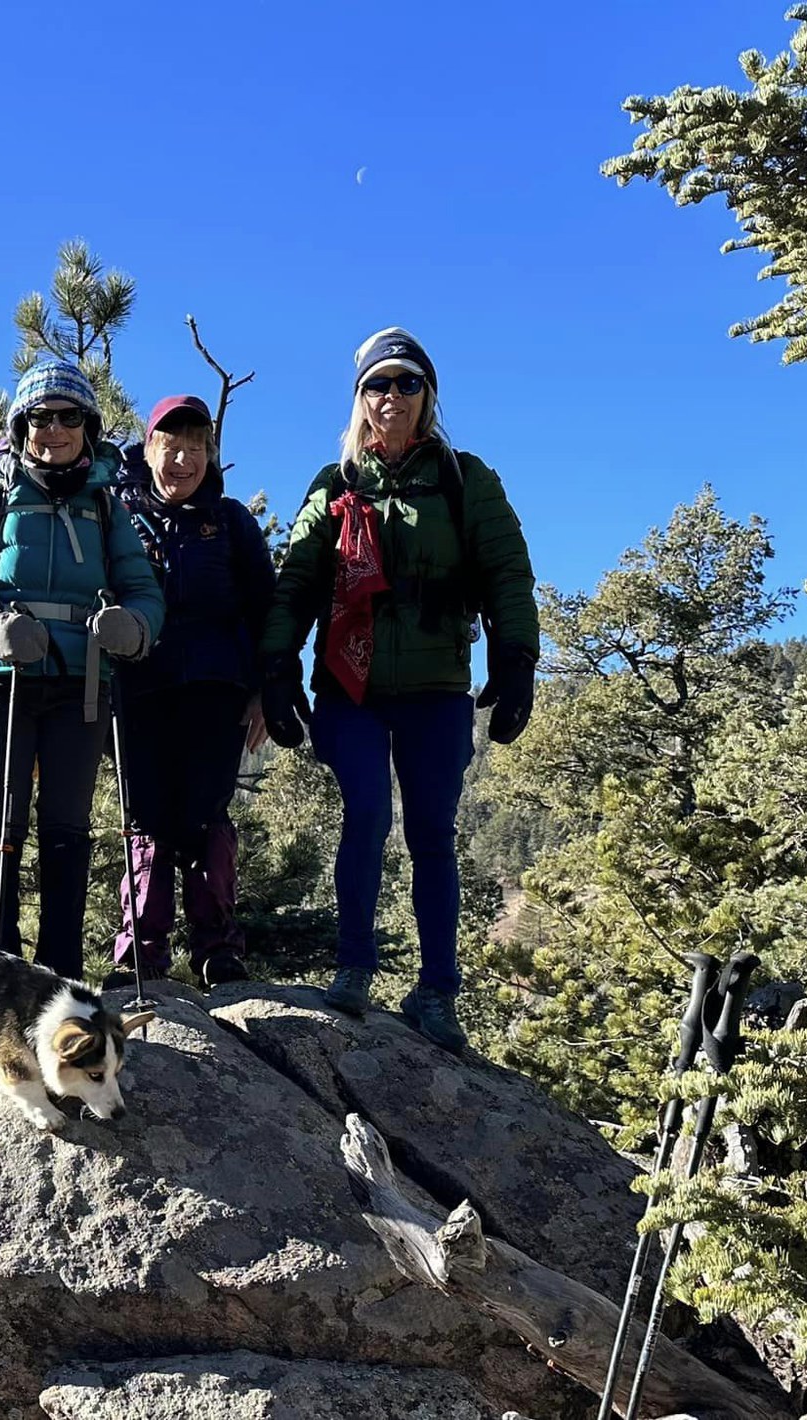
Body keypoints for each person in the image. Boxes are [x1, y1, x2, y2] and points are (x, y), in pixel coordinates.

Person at [258, 328, 538, 1051]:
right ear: (359, 399)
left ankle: (437, 992)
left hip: (437, 686)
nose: (392, 396)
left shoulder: (465, 479)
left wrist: (517, 663)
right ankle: (354, 969)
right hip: (349, 688)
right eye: (378, 384)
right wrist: (277, 667)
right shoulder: (333, 484)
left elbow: (507, 572)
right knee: (365, 817)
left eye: (407, 383)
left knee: (432, 836)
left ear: (429, 395)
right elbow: (295, 582)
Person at [0, 358, 165, 979]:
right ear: (22, 425)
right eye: (40, 417)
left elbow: (144, 590)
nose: (53, 429)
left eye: (67, 417)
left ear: (86, 425)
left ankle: (58, 973)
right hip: (0, 677)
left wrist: (134, 629)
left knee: (67, 824)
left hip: (81, 685)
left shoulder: (108, 506)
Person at [106, 394, 274, 990]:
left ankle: (218, 951)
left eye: (195, 448)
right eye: (170, 446)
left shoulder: (230, 522)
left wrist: (266, 690)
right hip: (138, 691)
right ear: (147, 449)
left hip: (216, 689)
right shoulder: (116, 515)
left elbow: (268, 611)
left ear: (210, 454)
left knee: (206, 816)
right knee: (145, 817)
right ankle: (140, 956)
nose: (182, 459)